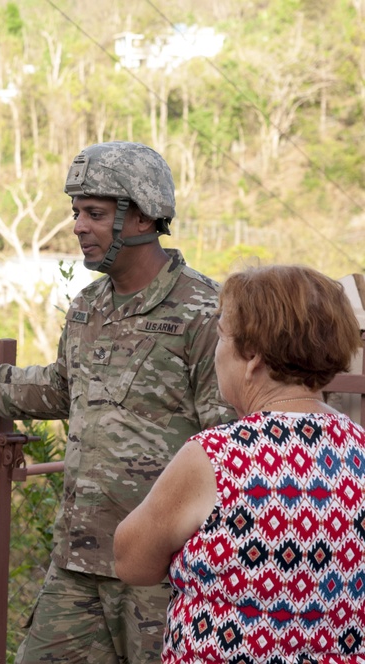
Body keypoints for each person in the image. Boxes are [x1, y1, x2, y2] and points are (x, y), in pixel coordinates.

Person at [0, 141, 233, 663]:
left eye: (94, 213)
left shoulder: (203, 310)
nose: (77, 226)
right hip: (78, 560)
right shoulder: (88, 306)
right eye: (76, 212)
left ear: (141, 216)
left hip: (161, 568)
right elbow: (57, 389)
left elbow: (225, 443)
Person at [114, 265, 365, 663]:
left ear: (252, 358)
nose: (216, 352)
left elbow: (132, 562)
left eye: (221, 337)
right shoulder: (359, 448)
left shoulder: (216, 456)